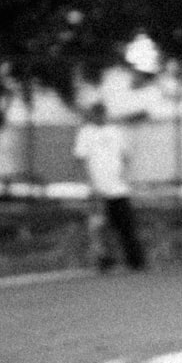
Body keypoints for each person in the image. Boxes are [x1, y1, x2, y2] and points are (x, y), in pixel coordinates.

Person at [72, 102, 146, 272]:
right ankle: (105, 260)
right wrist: (90, 184)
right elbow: (81, 159)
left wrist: (123, 176)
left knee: (126, 226)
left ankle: (135, 261)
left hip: (118, 188)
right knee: (100, 227)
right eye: (96, 114)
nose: (99, 117)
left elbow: (126, 156)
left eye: (101, 113)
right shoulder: (86, 133)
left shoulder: (115, 131)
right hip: (98, 190)